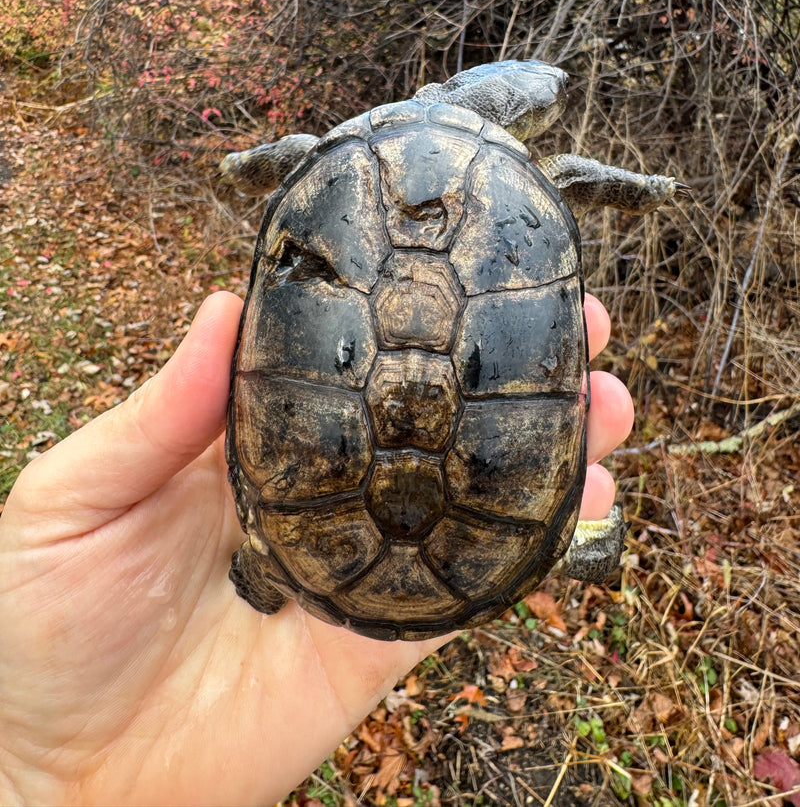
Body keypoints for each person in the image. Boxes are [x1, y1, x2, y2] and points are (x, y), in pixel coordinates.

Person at [0, 290, 633, 807]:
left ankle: (271, 571)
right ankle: (273, 571)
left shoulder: (337, 161)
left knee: (270, 564)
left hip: (305, 543)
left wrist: (32, 777)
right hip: (454, 557)